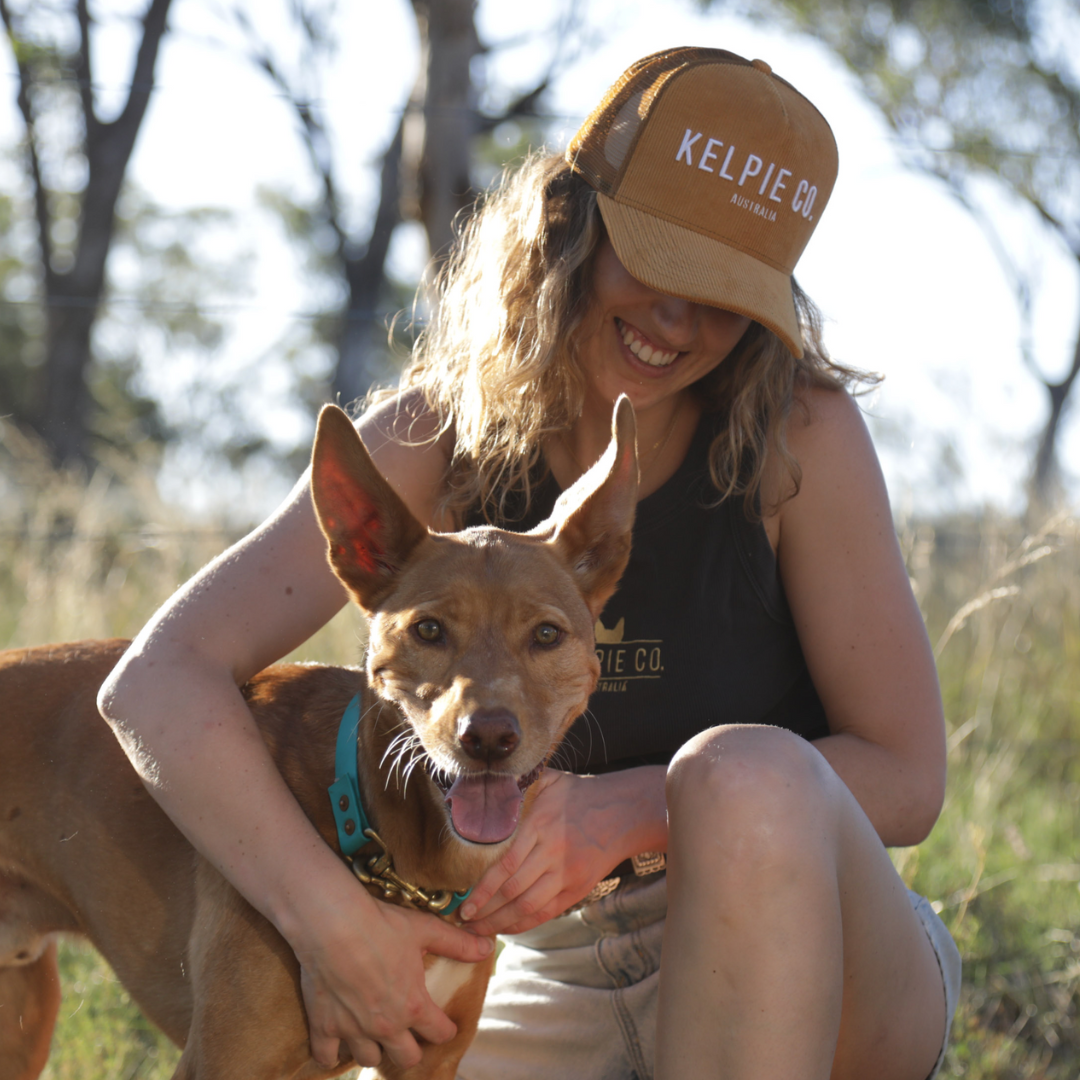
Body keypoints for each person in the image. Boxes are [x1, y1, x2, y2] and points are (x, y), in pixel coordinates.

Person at [98, 47, 961, 1080]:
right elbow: (154, 683)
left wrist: (628, 807)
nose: (678, 323)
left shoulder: (798, 438)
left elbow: (909, 778)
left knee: (744, 773)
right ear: (573, 224)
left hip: (823, 961)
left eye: (725, 293)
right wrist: (333, 925)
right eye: (656, 261)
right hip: (534, 968)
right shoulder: (433, 436)